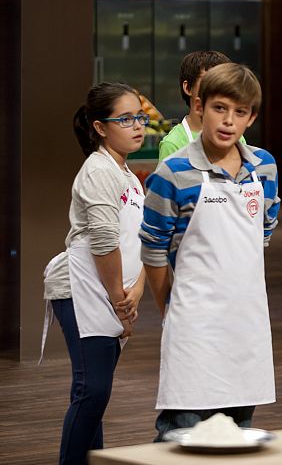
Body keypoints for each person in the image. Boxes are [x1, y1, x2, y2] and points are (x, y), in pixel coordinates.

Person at [140, 63, 279, 440]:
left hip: (248, 326)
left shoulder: (264, 167)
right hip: (195, 327)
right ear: (200, 106)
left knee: (238, 439)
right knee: (182, 439)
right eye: (220, 108)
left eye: (240, 112)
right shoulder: (172, 172)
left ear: (251, 117)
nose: (229, 121)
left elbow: (263, 233)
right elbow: (153, 249)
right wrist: (170, 307)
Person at [43, 83, 146, 464]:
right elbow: (103, 242)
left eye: (140, 117)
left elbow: (141, 239)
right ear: (101, 128)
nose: (138, 126)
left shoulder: (127, 173)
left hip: (113, 292)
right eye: (126, 119)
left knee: (94, 394)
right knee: (92, 391)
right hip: (83, 291)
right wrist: (121, 299)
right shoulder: (98, 171)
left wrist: (136, 291)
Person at [157, 50, 233, 161]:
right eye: (208, 82)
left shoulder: (233, 135)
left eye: (223, 84)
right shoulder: (173, 144)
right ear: (188, 88)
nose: (218, 91)